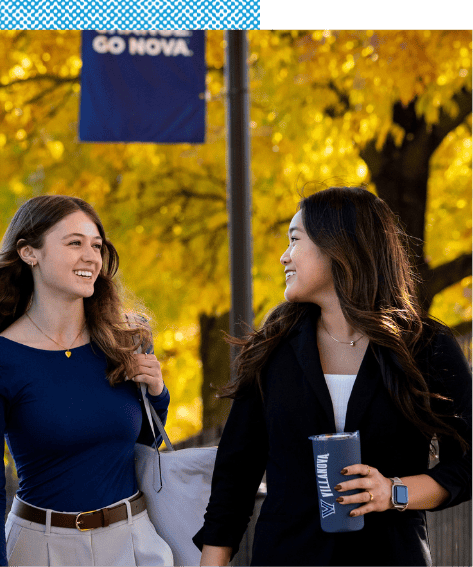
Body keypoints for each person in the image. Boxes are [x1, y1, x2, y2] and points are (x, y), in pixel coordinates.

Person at [194, 186, 472, 566]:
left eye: (295, 240)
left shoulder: (427, 346)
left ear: (338, 246)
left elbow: (467, 464)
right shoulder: (272, 347)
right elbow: (236, 474)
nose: (284, 256)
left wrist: (393, 492)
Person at [0, 195, 174, 567]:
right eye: (74, 243)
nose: (91, 256)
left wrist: (157, 393)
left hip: (132, 543)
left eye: (96, 245)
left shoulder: (127, 339)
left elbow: (142, 447)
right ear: (30, 253)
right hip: (40, 549)